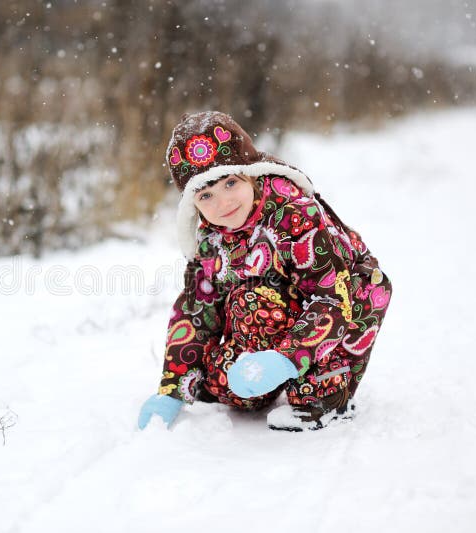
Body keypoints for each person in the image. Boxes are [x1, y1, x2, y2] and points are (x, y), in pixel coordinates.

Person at [138, 111, 392, 431]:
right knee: (228, 378)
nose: (223, 202)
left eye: (230, 182)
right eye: (206, 195)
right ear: (194, 204)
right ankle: (264, 381)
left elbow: (330, 294)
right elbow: (196, 310)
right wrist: (174, 388)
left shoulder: (293, 212)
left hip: (343, 298)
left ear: (251, 174)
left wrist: (288, 357)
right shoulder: (212, 238)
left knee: (343, 293)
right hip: (276, 306)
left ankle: (323, 393)